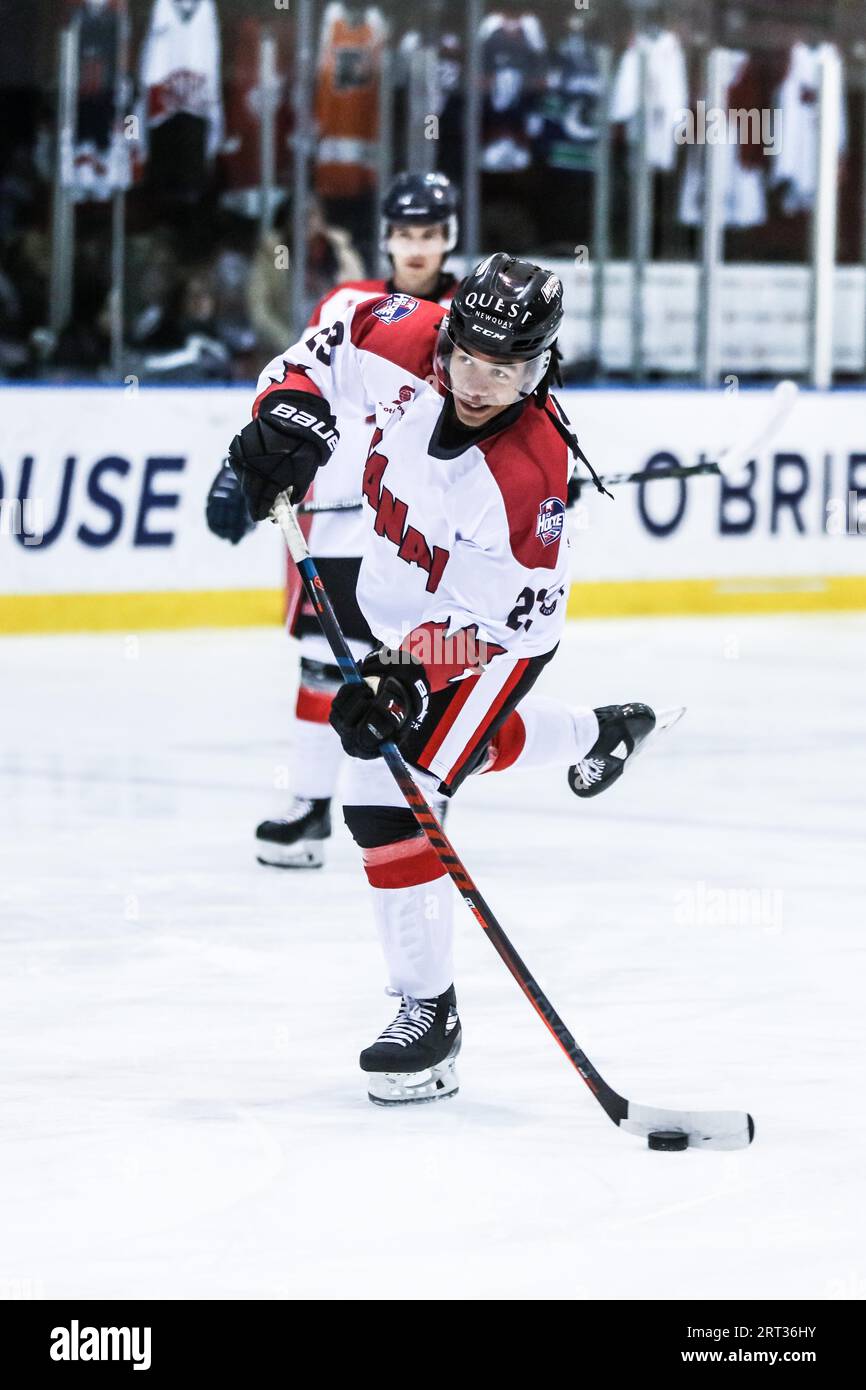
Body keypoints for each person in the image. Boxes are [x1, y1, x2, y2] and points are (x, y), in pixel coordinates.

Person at [225, 251, 657, 1105]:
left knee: (390, 794)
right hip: (393, 607)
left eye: (506, 371)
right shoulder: (408, 337)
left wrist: (403, 675)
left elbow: (515, 623)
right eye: (467, 358)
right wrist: (288, 413)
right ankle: (598, 733)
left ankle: (430, 1020)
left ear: (541, 369)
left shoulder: (529, 480)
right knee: (449, 751)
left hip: (487, 641)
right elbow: (330, 342)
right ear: (449, 332)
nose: (478, 384)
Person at [207, 171, 462, 868]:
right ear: (385, 238)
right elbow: (298, 386)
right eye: (405, 234)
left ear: (450, 238)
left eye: (429, 234)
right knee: (323, 665)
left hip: (429, 532)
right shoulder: (349, 305)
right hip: (347, 520)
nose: (416, 248)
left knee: (418, 667)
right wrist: (243, 461)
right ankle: (311, 807)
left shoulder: (476, 315)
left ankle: (423, 800)